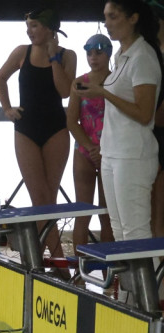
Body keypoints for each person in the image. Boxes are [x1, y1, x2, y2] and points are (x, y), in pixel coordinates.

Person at [78, 1, 163, 244]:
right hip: (112, 152)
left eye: (113, 17)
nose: (106, 23)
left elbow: (145, 114)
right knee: (119, 232)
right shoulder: (121, 55)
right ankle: (128, 273)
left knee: (135, 233)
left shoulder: (143, 57)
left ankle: (148, 272)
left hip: (133, 155)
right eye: (105, 17)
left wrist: (103, 93)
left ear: (133, 18)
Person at [0, 9, 76, 258]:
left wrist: (54, 57)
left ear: (50, 28)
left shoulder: (68, 55)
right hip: (26, 129)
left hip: (56, 129)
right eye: (28, 26)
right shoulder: (22, 52)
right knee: (39, 196)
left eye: (34, 26)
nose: (29, 31)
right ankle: (56, 258)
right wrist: (7, 108)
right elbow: (0, 78)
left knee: (48, 196)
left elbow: (65, 92)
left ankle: (36, 258)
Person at [67, 34, 115, 246]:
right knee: (82, 214)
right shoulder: (79, 83)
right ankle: (79, 266)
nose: (93, 57)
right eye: (89, 53)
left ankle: (110, 266)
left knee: (108, 216)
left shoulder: (116, 82)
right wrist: (91, 148)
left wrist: (103, 150)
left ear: (109, 54)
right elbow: (71, 122)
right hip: (84, 151)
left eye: (98, 53)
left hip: (110, 152)